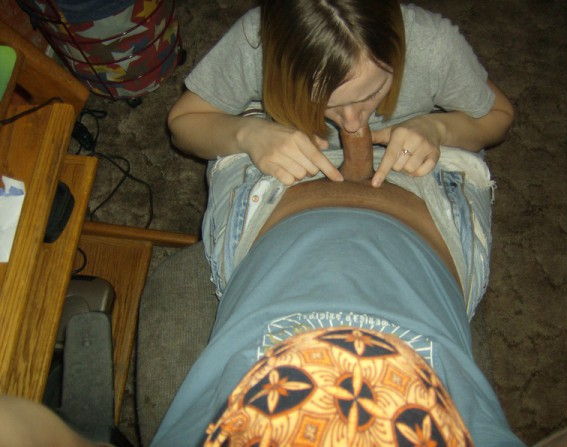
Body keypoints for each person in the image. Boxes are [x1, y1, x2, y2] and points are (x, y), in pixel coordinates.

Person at [149, 0, 523, 445]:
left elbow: (498, 116)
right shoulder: (257, 40)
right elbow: (184, 122)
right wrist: (248, 134)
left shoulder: (432, 43)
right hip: (278, 155)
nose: (352, 121)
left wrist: (437, 130)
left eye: (370, 93)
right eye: (327, 103)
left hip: (415, 158)